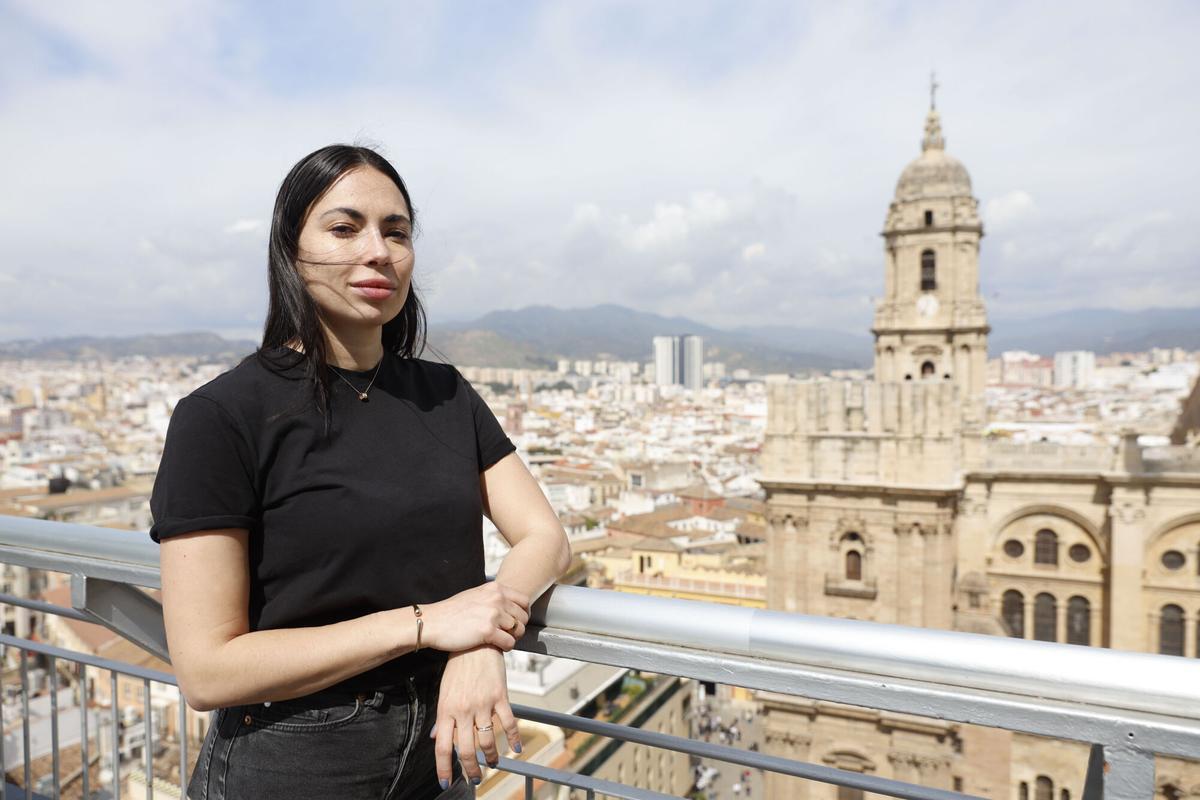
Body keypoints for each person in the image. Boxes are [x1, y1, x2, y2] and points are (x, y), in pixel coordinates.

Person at [151, 144, 572, 799]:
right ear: (290, 249)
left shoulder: (445, 394)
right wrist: (427, 624)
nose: (379, 251)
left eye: (396, 232)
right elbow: (207, 671)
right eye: (345, 228)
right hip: (296, 754)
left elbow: (545, 537)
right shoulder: (223, 415)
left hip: (443, 742)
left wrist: (482, 641)